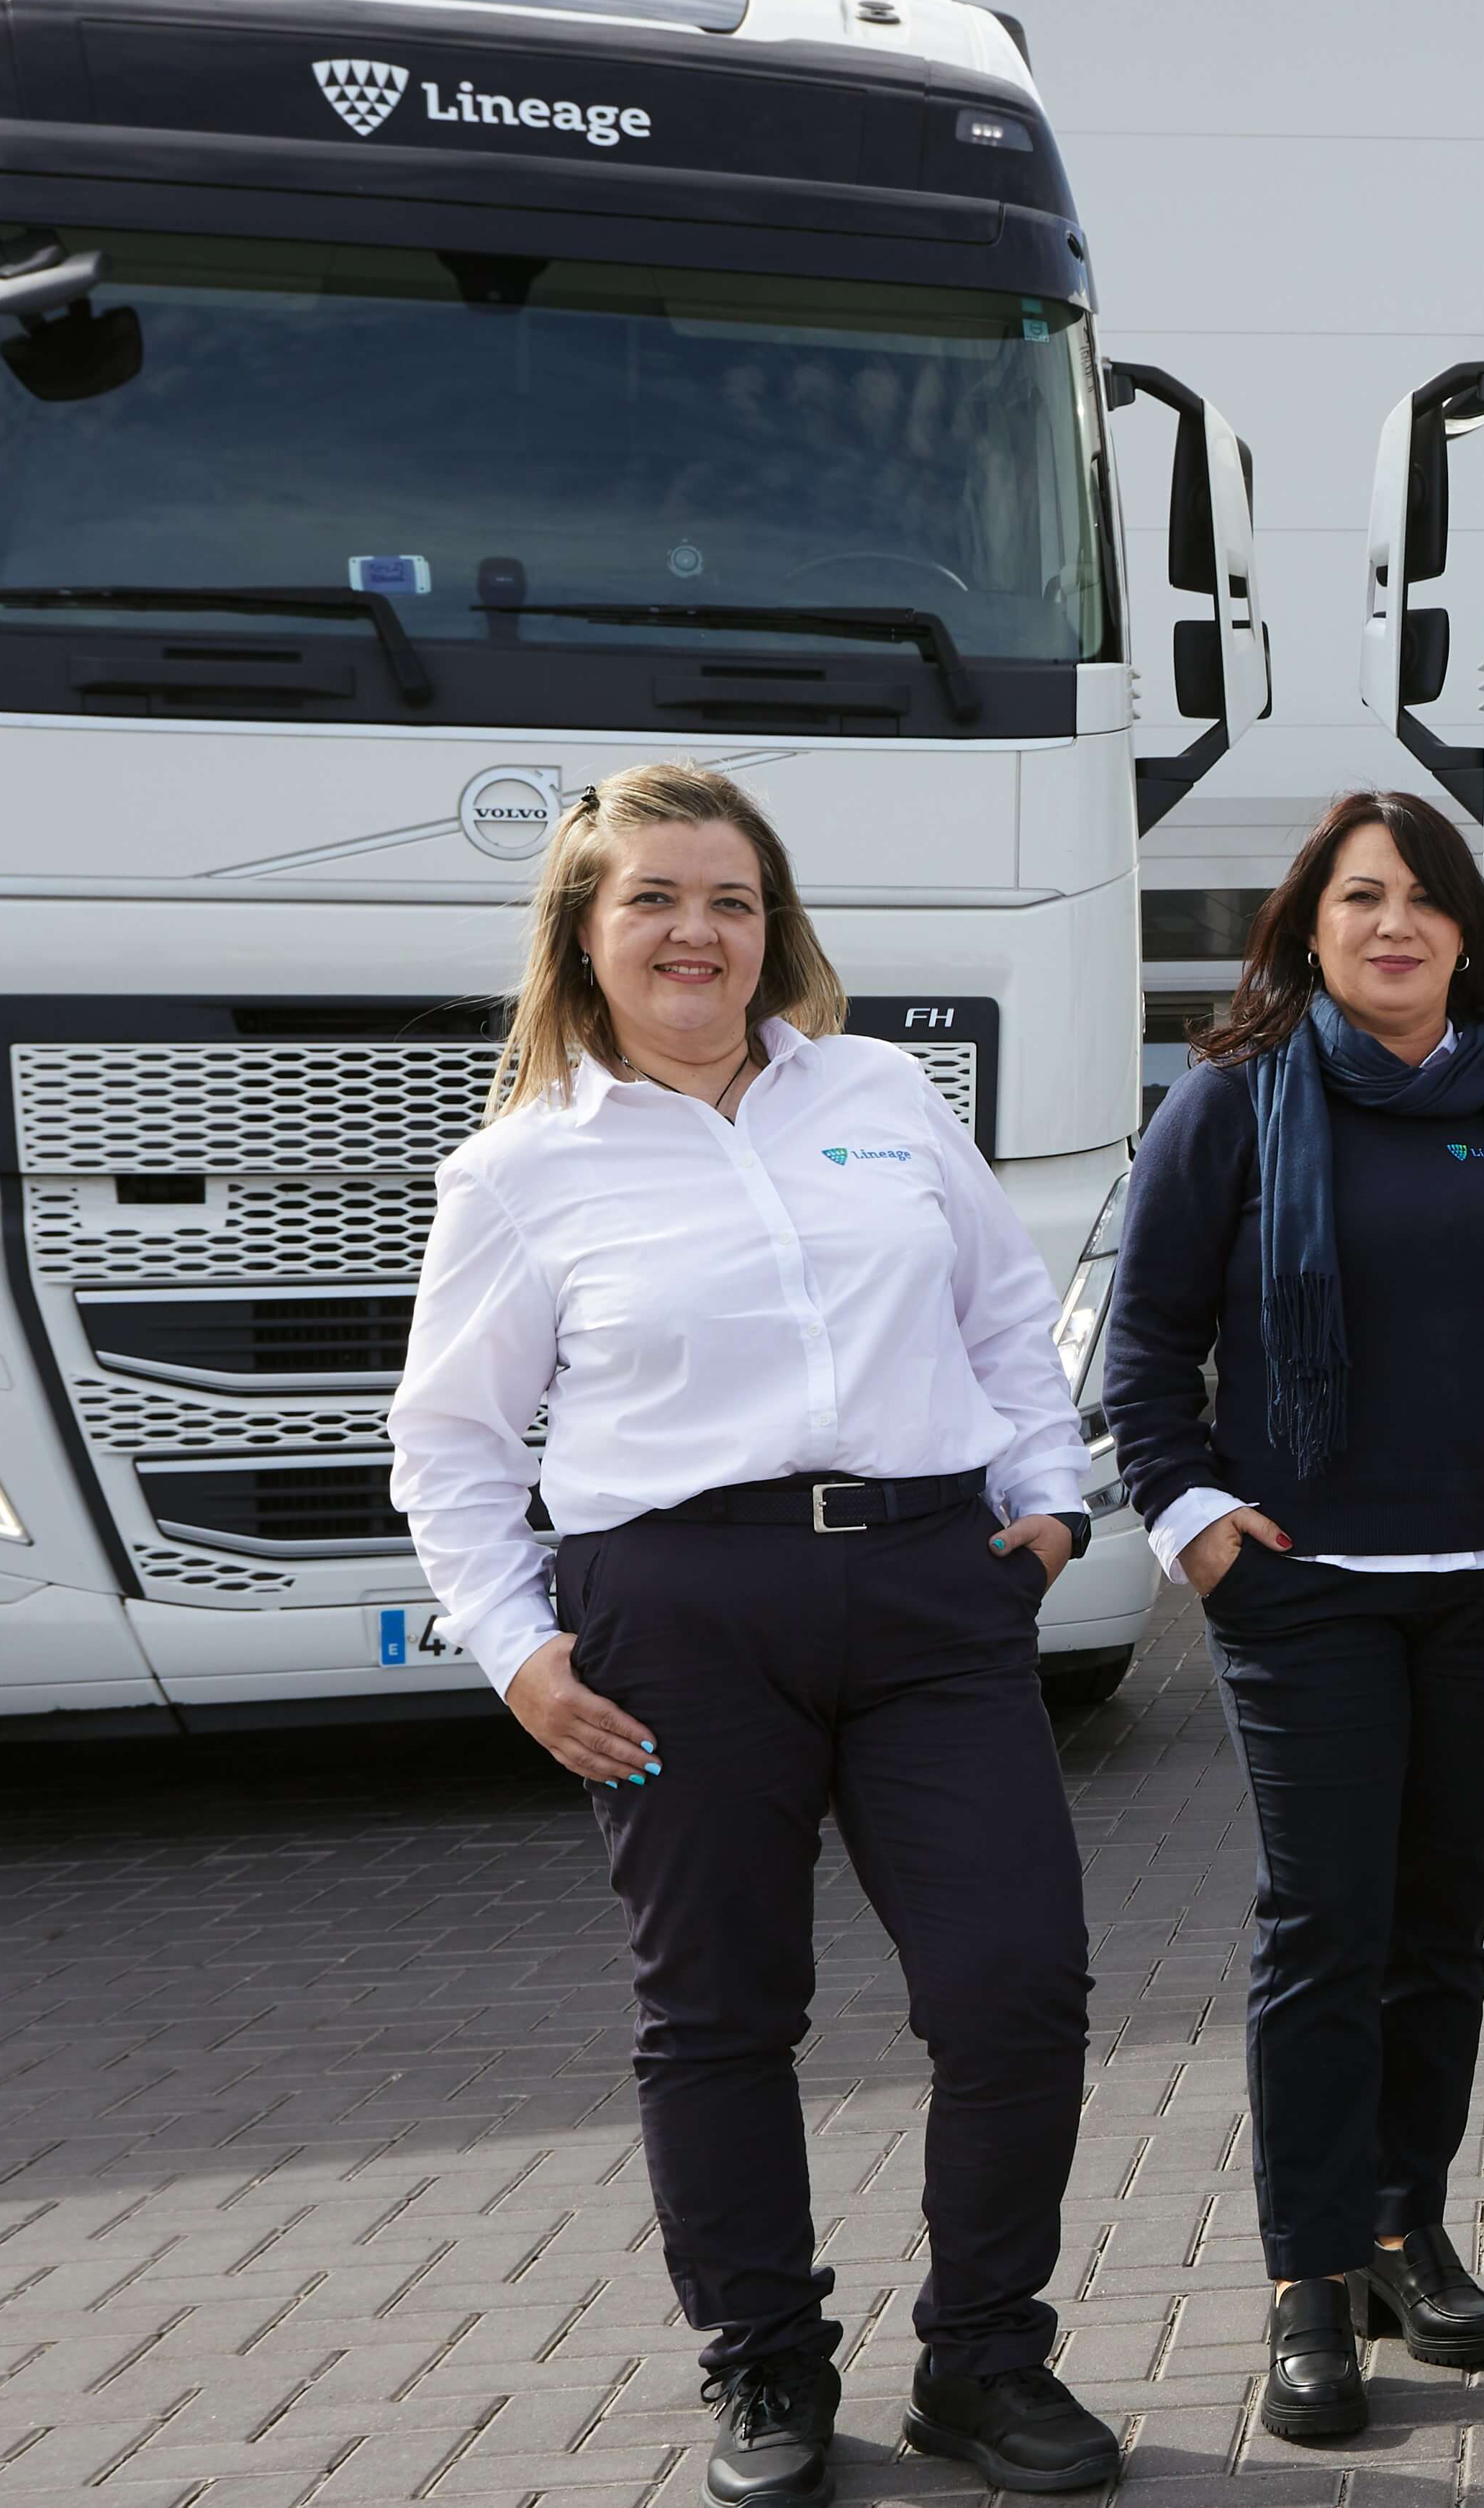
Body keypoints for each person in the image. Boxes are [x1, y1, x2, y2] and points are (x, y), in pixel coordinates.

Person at [388, 764, 1117, 2508]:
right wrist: (512, 1646)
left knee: (1016, 1984)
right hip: (676, 1617)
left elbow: (1006, 1311)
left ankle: (985, 2355)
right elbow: (455, 1440)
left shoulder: (874, 1090)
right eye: (654, 898)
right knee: (718, 2011)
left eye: (730, 898)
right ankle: (765, 2361)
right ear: (584, 932)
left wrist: (1051, 1497)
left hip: (935, 1589)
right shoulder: (518, 1168)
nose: (697, 931)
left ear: (774, 923)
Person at [1100, 790, 1484, 2444]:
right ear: (1308, 926)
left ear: (1468, 927)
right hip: (1303, 1592)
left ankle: (1405, 2226)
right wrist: (1196, 1526)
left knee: (1441, 1921)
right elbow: (1144, 1348)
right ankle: (1307, 2275)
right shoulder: (1233, 1105)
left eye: (1422, 898)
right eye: (1358, 897)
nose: (1392, 924)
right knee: (1323, 1930)